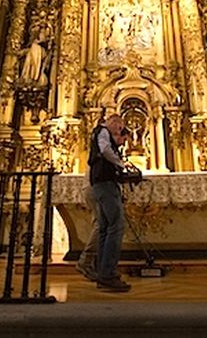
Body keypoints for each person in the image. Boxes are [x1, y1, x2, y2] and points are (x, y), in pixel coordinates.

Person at [87, 114, 130, 291]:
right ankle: (108, 274)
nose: (118, 131)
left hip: (99, 183)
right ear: (114, 122)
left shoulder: (100, 132)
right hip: (105, 183)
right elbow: (104, 150)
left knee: (105, 228)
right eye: (119, 128)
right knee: (116, 226)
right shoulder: (103, 131)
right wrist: (121, 164)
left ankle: (103, 272)